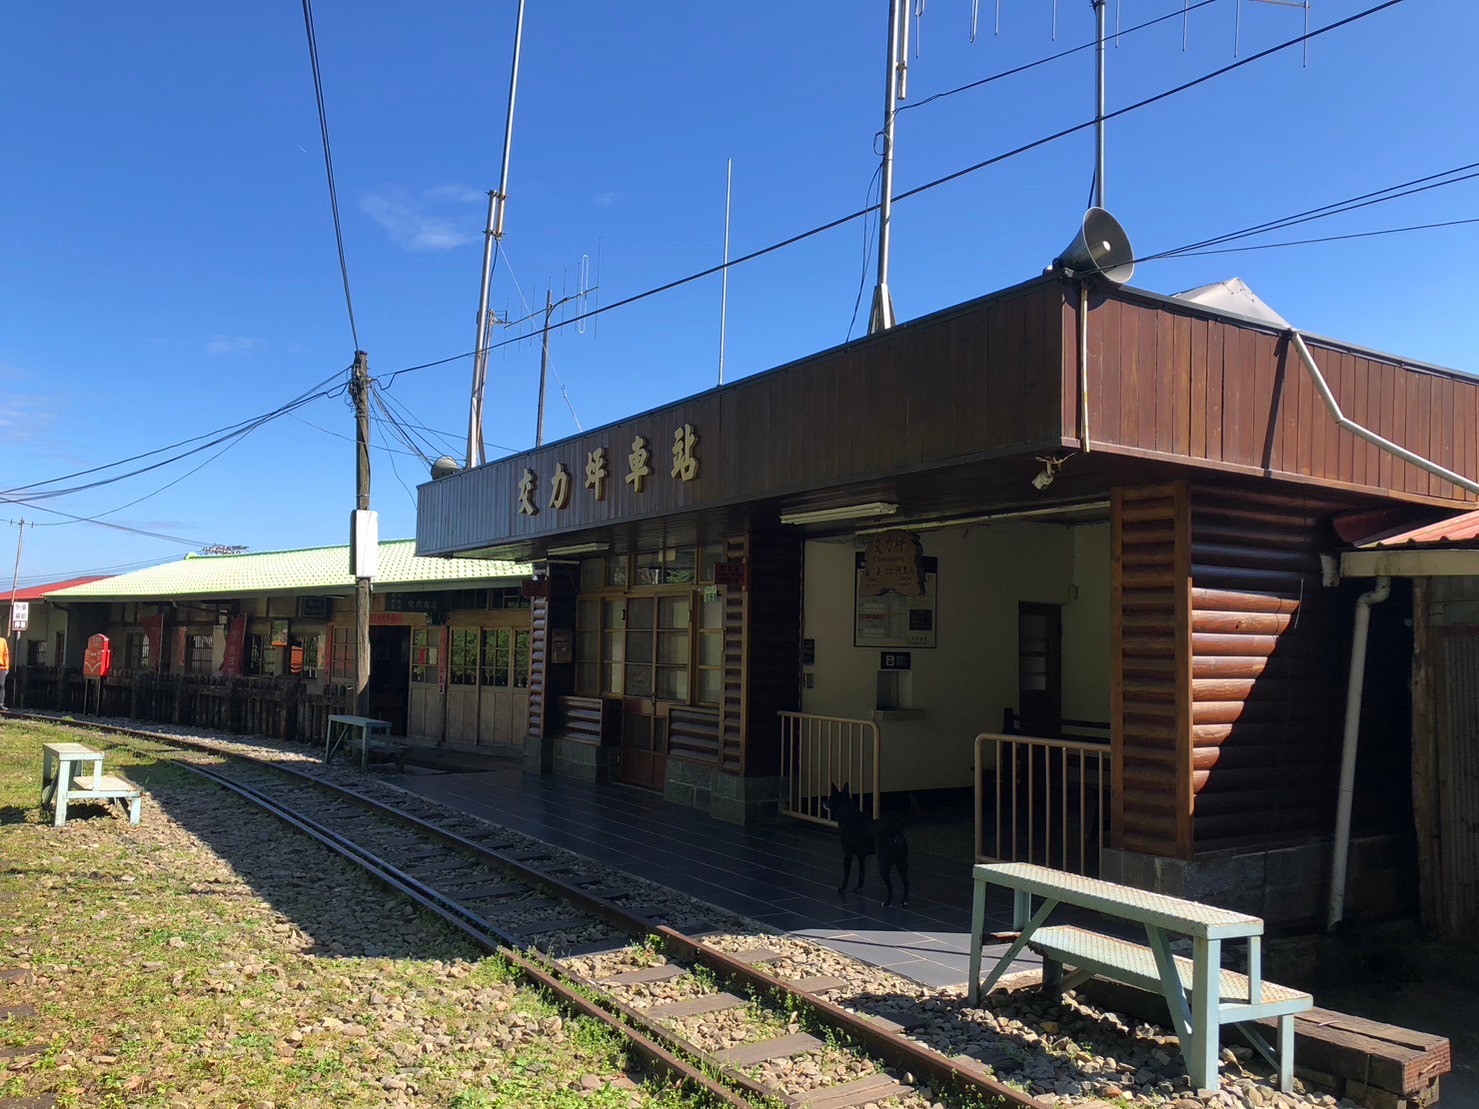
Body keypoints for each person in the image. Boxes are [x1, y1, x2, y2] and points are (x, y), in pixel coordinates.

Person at [0, 635, 9, 711]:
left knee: (1, 685)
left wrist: (6, 667)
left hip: (1, 666)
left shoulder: (2, 641)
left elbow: (6, 654)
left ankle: (1, 703)